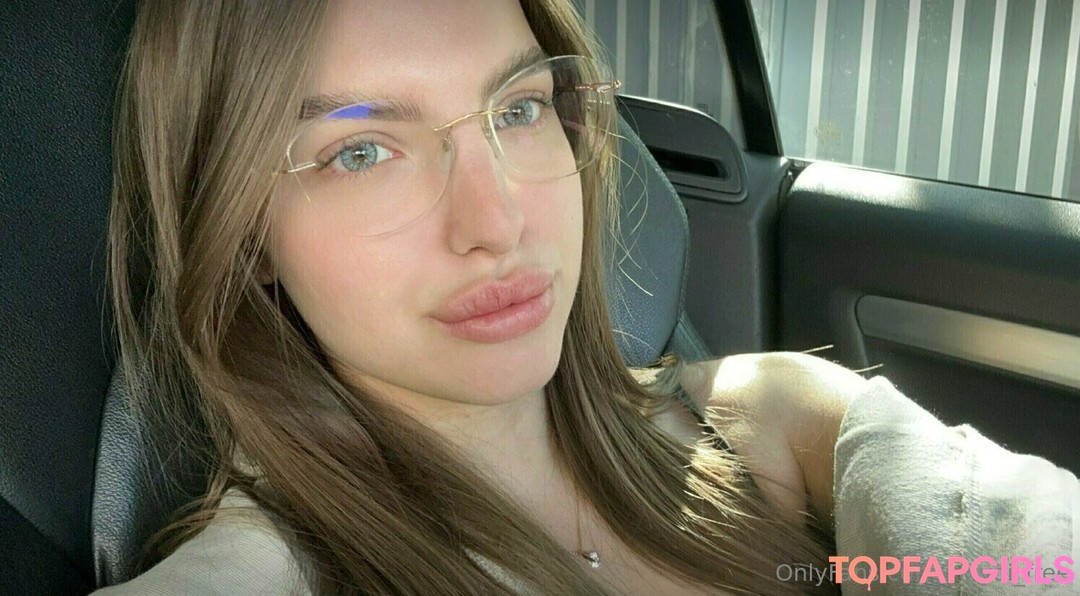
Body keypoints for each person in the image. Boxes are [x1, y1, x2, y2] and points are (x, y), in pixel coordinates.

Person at [95, 1, 1077, 595]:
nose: (497, 221)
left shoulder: (772, 420)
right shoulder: (268, 566)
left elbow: (1026, 556)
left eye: (520, 107)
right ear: (247, 230)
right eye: (361, 152)